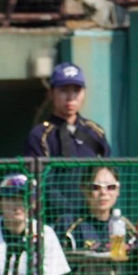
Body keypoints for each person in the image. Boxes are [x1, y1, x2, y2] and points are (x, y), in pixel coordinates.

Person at [24, 63, 111, 224]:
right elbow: (41, 182)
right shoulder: (40, 135)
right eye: (64, 90)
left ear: (84, 93)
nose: (71, 97)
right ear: (51, 93)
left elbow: (109, 176)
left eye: (76, 90)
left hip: (95, 218)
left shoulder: (95, 131)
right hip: (54, 219)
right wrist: (69, 213)